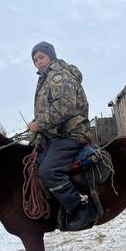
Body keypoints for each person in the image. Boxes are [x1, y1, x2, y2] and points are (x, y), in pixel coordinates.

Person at [28, 41, 97, 230]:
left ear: (51, 56)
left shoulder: (58, 76)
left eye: (41, 57)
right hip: (55, 134)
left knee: (48, 171)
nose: (38, 62)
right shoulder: (46, 79)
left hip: (71, 132)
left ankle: (80, 208)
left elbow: (63, 106)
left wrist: (39, 124)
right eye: (35, 60)